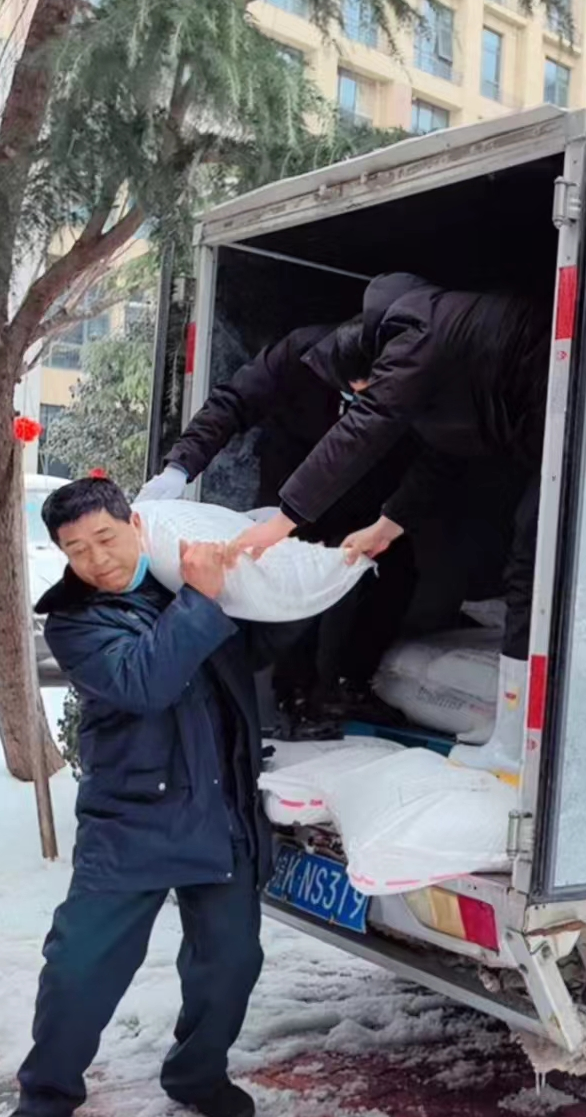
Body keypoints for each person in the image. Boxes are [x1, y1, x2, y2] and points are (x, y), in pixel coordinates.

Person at [0, 478, 271, 1117]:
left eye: (106, 538)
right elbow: (146, 681)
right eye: (76, 548)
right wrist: (201, 597)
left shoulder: (186, 581)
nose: (96, 559)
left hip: (216, 803)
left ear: (136, 526)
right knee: (79, 964)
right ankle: (46, 1094)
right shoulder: (76, 620)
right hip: (131, 815)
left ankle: (198, 1074)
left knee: (231, 961)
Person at [228, 272, 548, 776]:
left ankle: (513, 739)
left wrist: (282, 520)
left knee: (530, 563)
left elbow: (364, 430)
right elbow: (444, 456)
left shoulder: (415, 335)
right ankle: (510, 733)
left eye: (357, 392)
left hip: (565, 406)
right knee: (526, 560)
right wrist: (387, 524)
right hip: (546, 419)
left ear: (369, 371)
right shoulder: (433, 359)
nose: (357, 401)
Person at [136, 319, 416, 736]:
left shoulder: (408, 365)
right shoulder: (301, 353)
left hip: (367, 492)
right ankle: (293, 697)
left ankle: (351, 684)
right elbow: (233, 401)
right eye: (350, 391)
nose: (358, 398)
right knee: (289, 585)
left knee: (394, 573)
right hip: (291, 490)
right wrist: (180, 467)